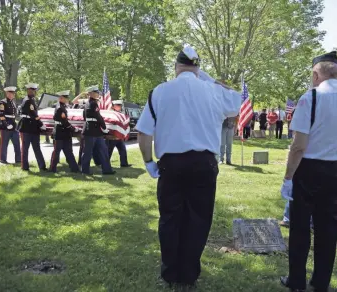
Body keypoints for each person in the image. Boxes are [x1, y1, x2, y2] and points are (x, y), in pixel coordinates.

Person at [136, 46, 241, 289]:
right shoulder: (213, 90)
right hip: (203, 164)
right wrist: (206, 77)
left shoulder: (160, 91)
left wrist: (149, 162)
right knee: (198, 219)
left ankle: (171, 272)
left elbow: (143, 131)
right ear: (197, 68)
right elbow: (236, 102)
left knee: (170, 217)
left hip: (171, 164)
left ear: (175, 67)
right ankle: (189, 273)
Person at [280, 51, 337, 292]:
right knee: (328, 230)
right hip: (335, 169)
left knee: (300, 228)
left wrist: (287, 178)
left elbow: (299, 146)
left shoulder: (311, 97)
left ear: (316, 74)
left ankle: (297, 280)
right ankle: (321, 281)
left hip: (309, 169)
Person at [80, 85, 116, 175]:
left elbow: (84, 116)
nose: (98, 94)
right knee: (90, 152)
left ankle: (107, 170)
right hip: (92, 131)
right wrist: (104, 128)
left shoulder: (87, 104)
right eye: (96, 93)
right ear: (91, 94)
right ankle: (85, 171)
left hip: (92, 131)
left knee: (101, 150)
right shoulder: (93, 103)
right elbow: (99, 117)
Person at [18, 83, 47, 171]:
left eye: (33, 91)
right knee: (25, 148)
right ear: (28, 91)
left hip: (32, 126)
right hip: (27, 127)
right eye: (31, 90)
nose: (32, 92)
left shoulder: (31, 100)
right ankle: (25, 166)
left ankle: (42, 166)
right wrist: (41, 124)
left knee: (36, 147)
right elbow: (33, 114)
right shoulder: (28, 101)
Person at [49, 90, 80, 173]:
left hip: (64, 132)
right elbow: (64, 122)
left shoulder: (62, 106)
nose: (67, 99)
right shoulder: (60, 108)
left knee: (68, 151)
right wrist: (73, 129)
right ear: (61, 98)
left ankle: (74, 168)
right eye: (65, 98)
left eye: (66, 98)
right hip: (60, 132)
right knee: (56, 152)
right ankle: (52, 169)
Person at [0, 86, 21, 164]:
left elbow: (13, 115)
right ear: (6, 93)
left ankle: (18, 159)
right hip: (5, 126)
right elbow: (1, 115)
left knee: (17, 142)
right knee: (4, 143)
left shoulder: (12, 102)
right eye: (10, 93)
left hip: (13, 124)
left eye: (13, 93)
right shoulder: (2, 102)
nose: (11, 95)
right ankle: (3, 159)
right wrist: (7, 124)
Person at [106, 100, 132, 167]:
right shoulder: (110, 114)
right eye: (117, 105)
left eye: (120, 105)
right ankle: (105, 164)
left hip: (119, 136)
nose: (119, 106)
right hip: (112, 136)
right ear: (113, 106)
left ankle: (124, 164)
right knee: (109, 151)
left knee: (122, 150)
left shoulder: (121, 114)